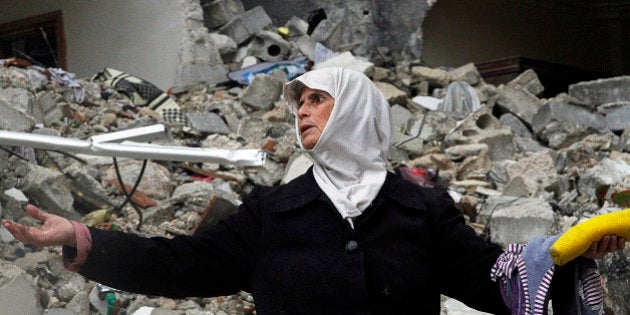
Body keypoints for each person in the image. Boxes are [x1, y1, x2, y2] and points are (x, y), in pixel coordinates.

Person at [2, 67, 626, 314]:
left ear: (355, 109)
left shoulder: (420, 207)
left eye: (317, 99)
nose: (301, 110)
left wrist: (566, 253)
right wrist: (83, 240)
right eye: (298, 102)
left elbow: (494, 278)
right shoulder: (272, 213)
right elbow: (184, 264)